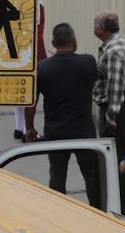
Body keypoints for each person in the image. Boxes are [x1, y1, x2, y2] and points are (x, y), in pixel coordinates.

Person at [23, 24, 101, 209]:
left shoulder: (42, 68)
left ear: (53, 43)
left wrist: (29, 127)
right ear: (74, 41)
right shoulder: (88, 62)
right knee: (92, 176)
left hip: (55, 132)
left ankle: (59, 212)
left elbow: (30, 103)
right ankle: (98, 213)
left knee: (57, 175)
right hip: (84, 133)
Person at [93, 11, 125, 218]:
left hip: (119, 110)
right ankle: (120, 208)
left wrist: (111, 119)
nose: (93, 26)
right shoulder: (121, 42)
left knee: (117, 161)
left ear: (101, 28)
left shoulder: (113, 52)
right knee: (118, 157)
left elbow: (115, 88)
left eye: (95, 23)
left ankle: (123, 213)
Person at [13, 0, 52, 140]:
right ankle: (25, 129)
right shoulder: (31, 0)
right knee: (31, 91)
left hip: (29, 48)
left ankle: (20, 127)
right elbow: (33, 31)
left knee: (24, 88)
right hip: (31, 49)